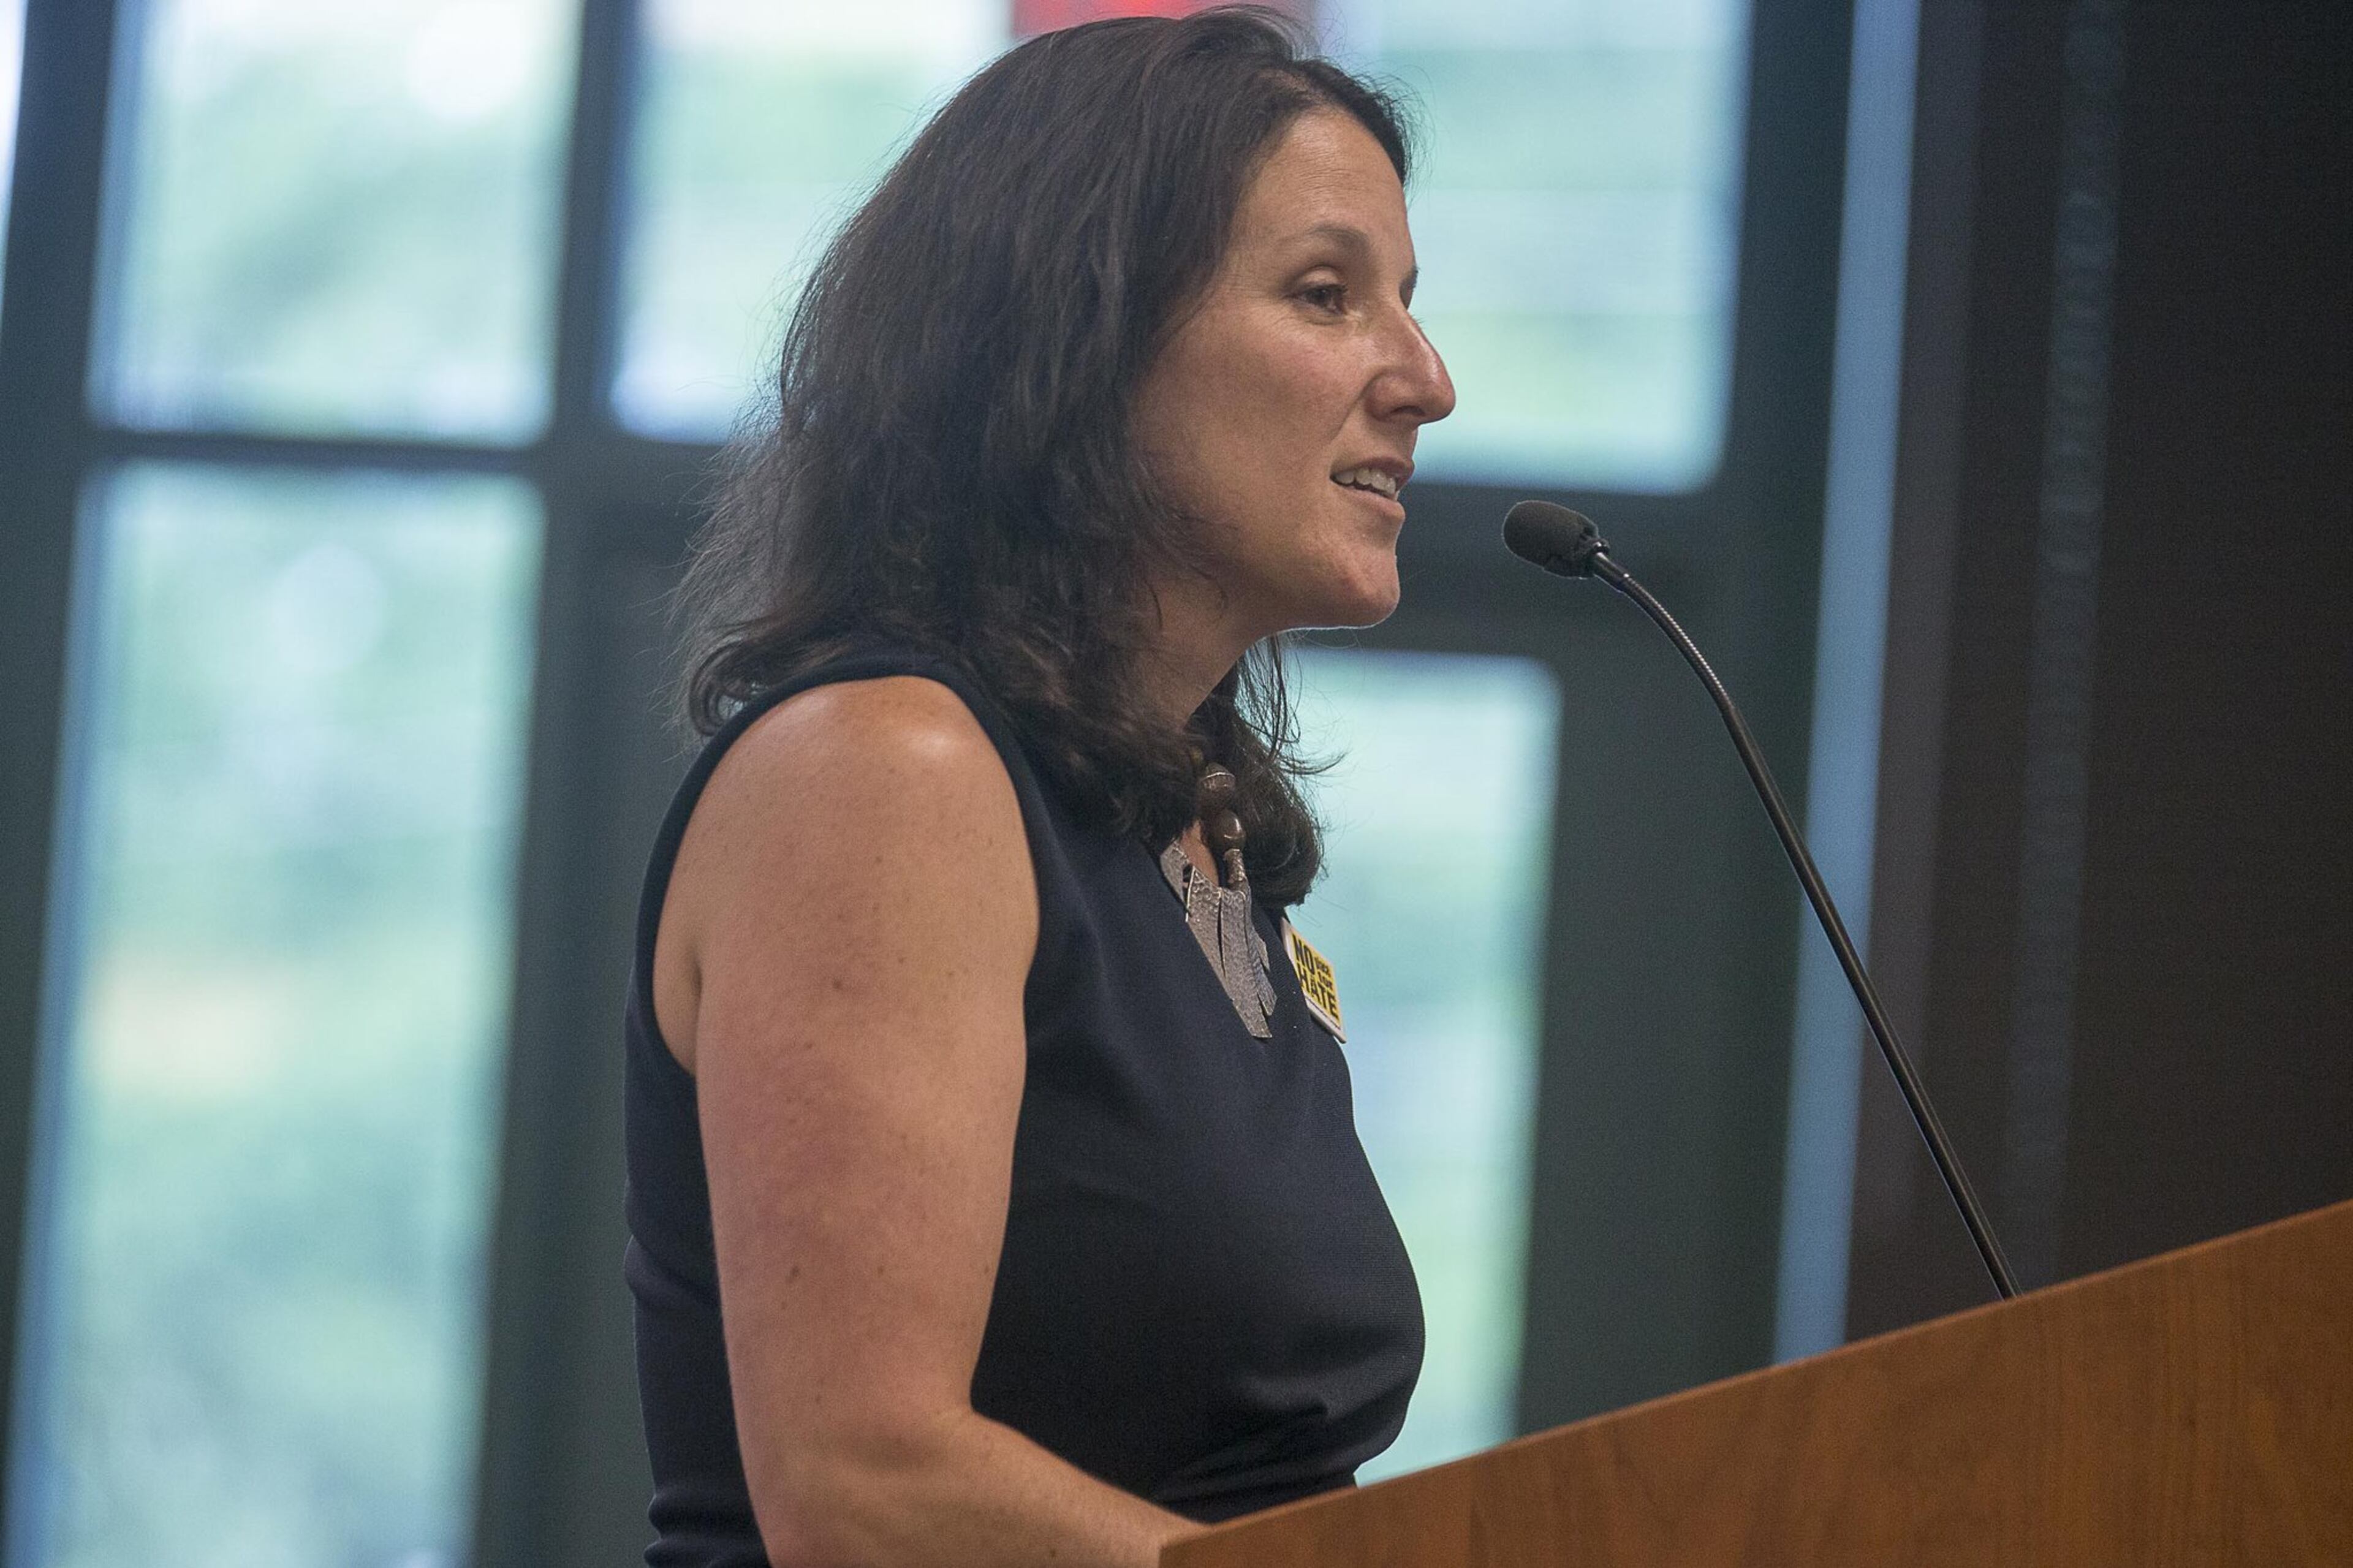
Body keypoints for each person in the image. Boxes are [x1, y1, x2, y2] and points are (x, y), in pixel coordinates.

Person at [623, 9, 1457, 1565]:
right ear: (1083, 337)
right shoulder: (889, 772)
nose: (1425, 378)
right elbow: (870, 1481)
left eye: (1408, 306)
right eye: (1328, 296)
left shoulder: (1188, 826)